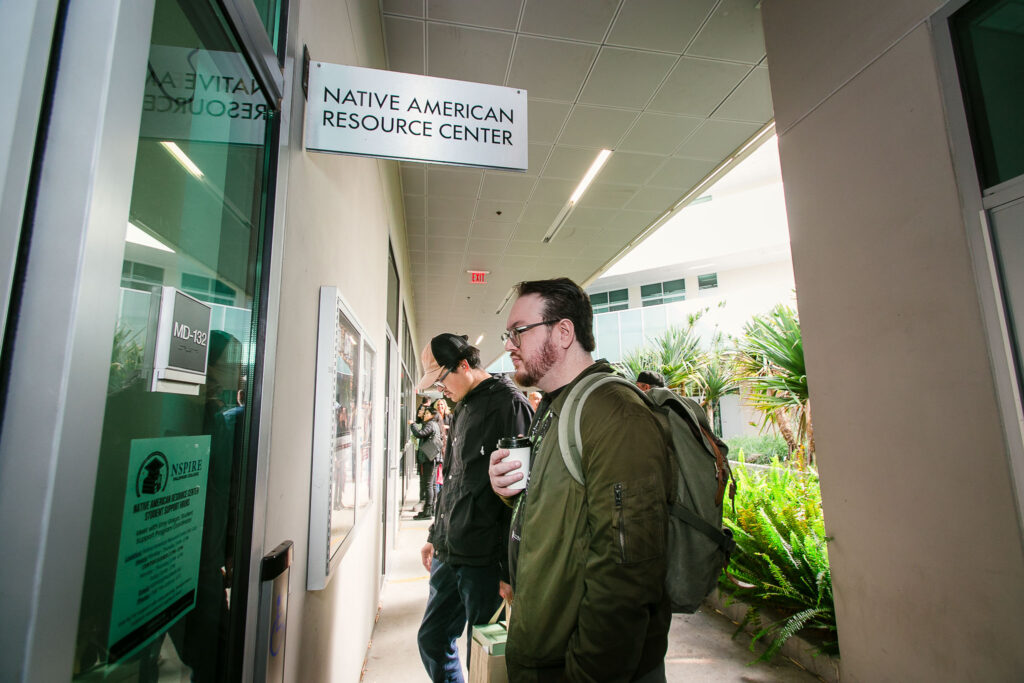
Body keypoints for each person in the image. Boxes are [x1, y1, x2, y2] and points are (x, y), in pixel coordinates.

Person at [488, 278, 672, 682]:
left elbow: (627, 578)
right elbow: (564, 510)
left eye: (519, 331)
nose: (508, 345)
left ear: (564, 332)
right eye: (508, 334)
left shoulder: (617, 415)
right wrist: (509, 492)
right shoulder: (553, 408)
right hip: (543, 655)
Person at [415, 333, 533, 682]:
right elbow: (453, 478)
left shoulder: (508, 405)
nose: (441, 392)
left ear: (464, 366)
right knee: (432, 639)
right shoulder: (462, 403)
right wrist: (435, 535)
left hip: (485, 561)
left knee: (482, 658)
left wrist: (510, 571)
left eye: (441, 381)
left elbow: (524, 497)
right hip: (449, 551)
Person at [410, 404, 442, 519]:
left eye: (427, 413)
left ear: (433, 415)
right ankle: (431, 509)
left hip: (429, 457)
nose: (425, 415)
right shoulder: (435, 424)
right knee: (432, 485)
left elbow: (420, 434)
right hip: (433, 457)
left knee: (428, 485)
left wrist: (412, 425)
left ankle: (427, 511)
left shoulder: (430, 424)